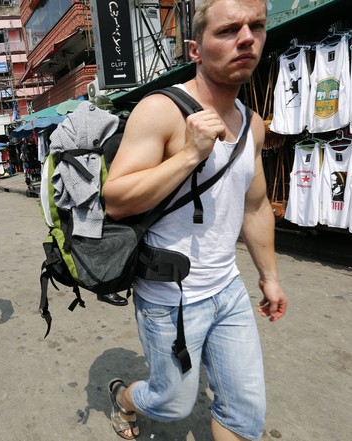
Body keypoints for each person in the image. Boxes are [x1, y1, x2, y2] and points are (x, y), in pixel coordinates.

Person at [102, 1, 288, 440]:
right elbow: (116, 199)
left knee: (244, 412)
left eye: (256, 26)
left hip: (228, 290)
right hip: (171, 299)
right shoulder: (161, 111)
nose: (246, 38)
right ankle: (125, 398)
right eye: (227, 30)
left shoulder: (252, 125)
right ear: (195, 50)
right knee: (172, 402)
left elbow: (256, 205)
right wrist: (189, 154)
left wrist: (269, 277)